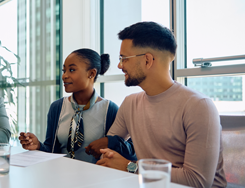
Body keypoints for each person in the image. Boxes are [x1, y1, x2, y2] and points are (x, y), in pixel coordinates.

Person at [86, 22, 226, 187]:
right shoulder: (130, 103)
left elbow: (197, 181)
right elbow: (107, 156)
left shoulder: (198, 106)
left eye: (124, 58)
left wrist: (130, 166)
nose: (119, 65)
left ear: (147, 60)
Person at [19, 48, 136, 163]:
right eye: (64, 70)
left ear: (91, 73)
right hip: (61, 175)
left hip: (96, 178)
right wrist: (38, 146)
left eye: (72, 70)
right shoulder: (57, 107)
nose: (64, 76)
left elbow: (130, 150)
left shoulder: (109, 110)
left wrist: (109, 142)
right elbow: (51, 150)